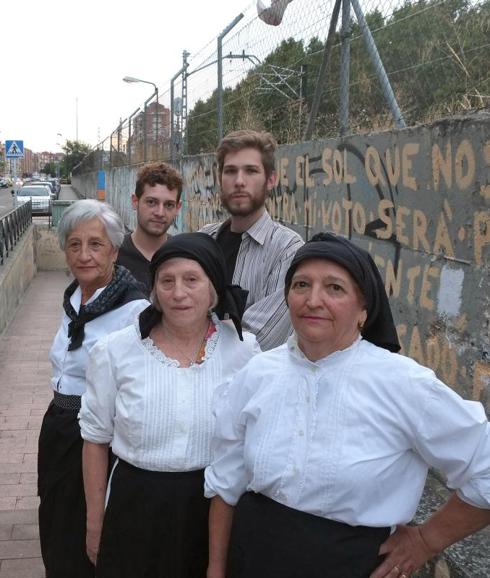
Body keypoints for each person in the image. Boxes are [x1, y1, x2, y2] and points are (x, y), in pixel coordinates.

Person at [205, 232, 490, 578]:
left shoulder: (404, 384)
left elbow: (484, 466)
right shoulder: (258, 372)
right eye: (301, 285)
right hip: (252, 557)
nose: (313, 300)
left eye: (334, 288)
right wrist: (216, 568)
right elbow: (226, 480)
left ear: (363, 309)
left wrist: (426, 541)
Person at [79, 232, 260, 578]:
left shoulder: (245, 352)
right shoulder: (116, 351)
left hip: (216, 509)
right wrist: (94, 522)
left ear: (213, 288)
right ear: (154, 291)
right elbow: (95, 438)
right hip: (137, 505)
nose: (178, 293)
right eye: (167, 281)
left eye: (192, 280)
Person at [37, 199, 149, 578]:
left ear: (115, 250)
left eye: (96, 244)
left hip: (96, 440)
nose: (84, 255)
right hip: (58, 428)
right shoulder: (73, 297)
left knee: (86, 536)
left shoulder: (133, 310)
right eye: (74, 244)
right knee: (54, 522)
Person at [201, 129, 303, 351]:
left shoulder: (287, 250)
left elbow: (257, 341)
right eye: (230, 171)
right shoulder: (203, 240)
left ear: (270, 179)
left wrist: (188, 340)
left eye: (250, 171)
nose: (239, 181)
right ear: (220, 179)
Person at [117, 161, 183, 294]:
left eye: (169, 205)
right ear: (135, 202)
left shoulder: (183, 256)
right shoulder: (113, 256)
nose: (160, 212)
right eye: (151, 202)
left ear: (178, 208)